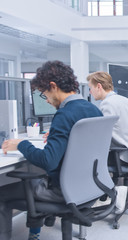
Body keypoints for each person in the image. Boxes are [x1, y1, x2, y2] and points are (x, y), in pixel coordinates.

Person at [0, 61, 103, 240]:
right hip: (90, 186)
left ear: (53, 86)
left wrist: (20, 144)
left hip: (64, 191)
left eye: (44, 93)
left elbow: (48, 161)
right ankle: (34, 234)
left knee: (2, 193)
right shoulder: (93, 109)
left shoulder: (64, 114)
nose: (46, 100)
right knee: (36, 178)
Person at [86, 71, 128, 181]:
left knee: (84, 158)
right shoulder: (124, 100)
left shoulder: (107, 103)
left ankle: (94, 194)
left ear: (98, 86)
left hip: (120, 155)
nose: (90, 92)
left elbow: (103, 134)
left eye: (90, 88)